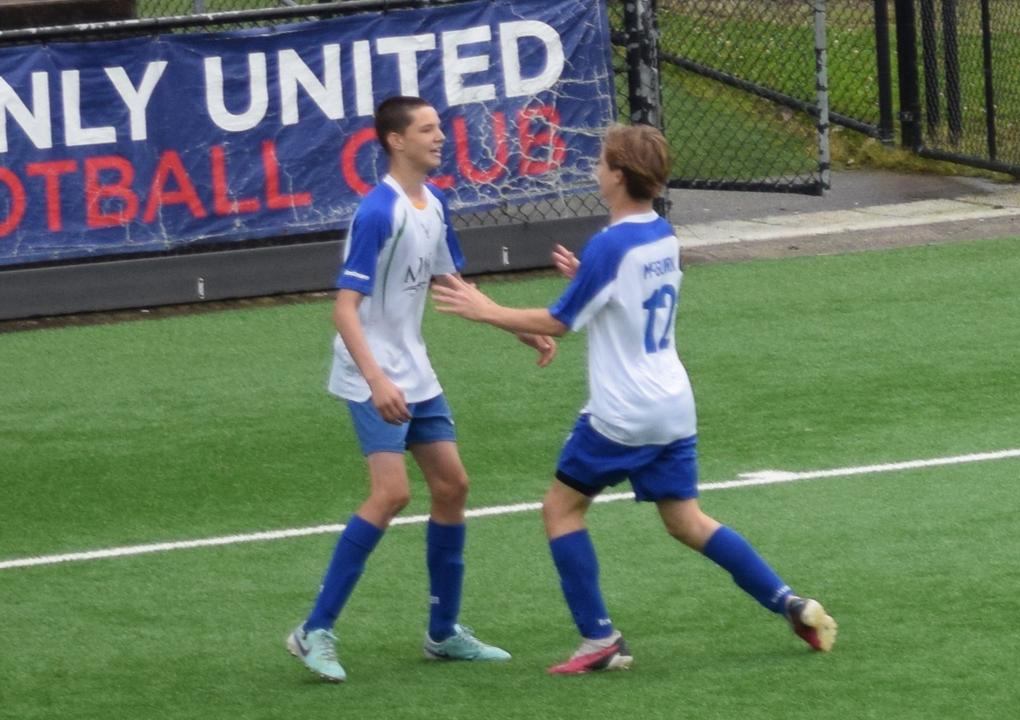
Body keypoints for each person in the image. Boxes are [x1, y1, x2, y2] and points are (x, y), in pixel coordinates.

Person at [431, 123, 836, 675]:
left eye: (601, 162)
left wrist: (485, 310)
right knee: (686, 521)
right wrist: (587, 276)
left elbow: (560, 321)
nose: (595, 168)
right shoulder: (661, 234)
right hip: (673, 405)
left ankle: (599, 638)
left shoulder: (611, 244)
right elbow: (631, 296)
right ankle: (788, 601)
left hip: (623, 413)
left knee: (561, 509)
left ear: (618, 175)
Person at [286, 96, 557, 683]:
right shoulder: (378, 211)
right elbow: (344, 309)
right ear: (395, 141)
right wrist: (377, 379)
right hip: (371, 374)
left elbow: (448, 281)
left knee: (453, 485)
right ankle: (314, 630)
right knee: (390, 495)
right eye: (427, 129)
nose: (440, 137)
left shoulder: (433, 203)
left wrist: (518, 330)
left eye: (439, 127)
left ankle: (443, 633)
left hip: (415, 370)